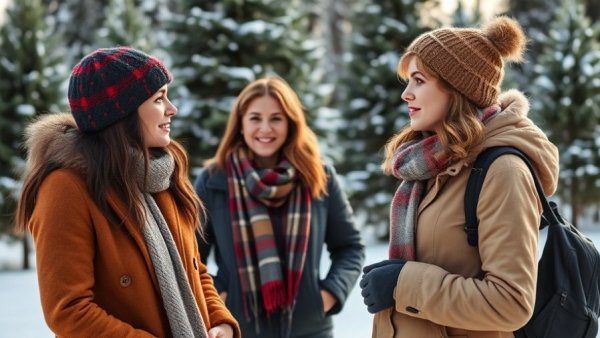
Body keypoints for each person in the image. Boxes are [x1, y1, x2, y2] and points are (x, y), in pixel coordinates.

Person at [15, 47, 240, 338]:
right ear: (122, 113)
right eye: (159, 99)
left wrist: (219, 321)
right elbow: (69, 311)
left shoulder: (162, 176)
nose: (172, 109)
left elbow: (194, 271)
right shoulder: (66, 189)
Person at [359, 17, 560, 337]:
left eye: (419, 80)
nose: (406, 94)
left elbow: (511, 302)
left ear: (456, 88)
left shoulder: (503, 172)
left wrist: (403, 284)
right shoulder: (433, 164)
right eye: (407, 81)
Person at [194, 76, 365, 338]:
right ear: (240, 124)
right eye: (255, 118)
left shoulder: (318, 176)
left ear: (290, 123)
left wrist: (328, 295)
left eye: (276, 118)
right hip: (238, 329)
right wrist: (219, 297)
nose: (265, 128)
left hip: (309, 330)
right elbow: (191, 257)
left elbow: (349, 248)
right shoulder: (214, 180)